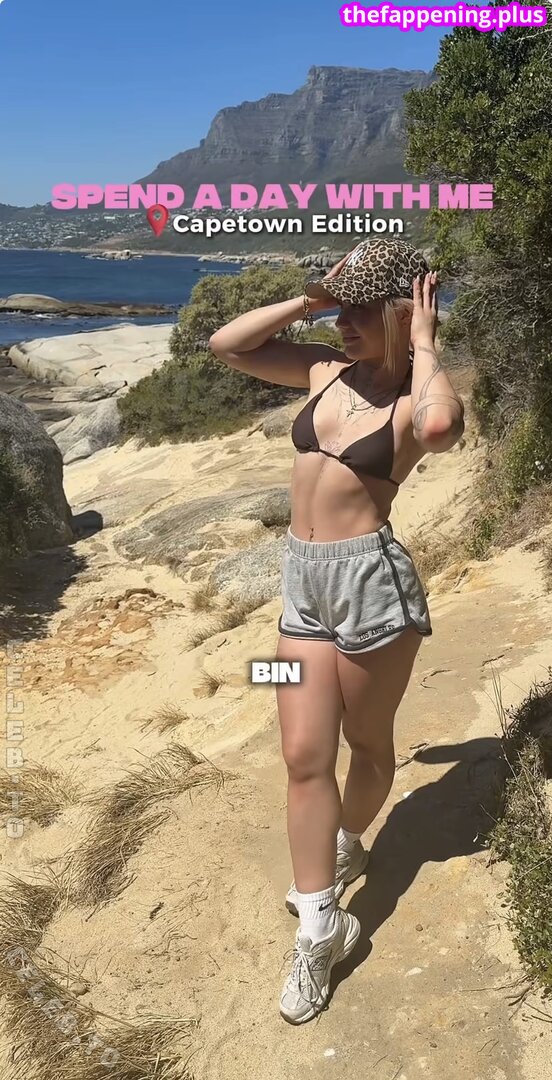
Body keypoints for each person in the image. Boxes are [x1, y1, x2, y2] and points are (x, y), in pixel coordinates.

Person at [209, 238, 465, 1025]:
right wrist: (312, 298)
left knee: (370, 748)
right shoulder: (324, 370)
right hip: (302, 591)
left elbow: (440, 428)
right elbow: (227, 346)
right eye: (339, 310)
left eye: (360, 310)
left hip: (372, 596)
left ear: (398, 312)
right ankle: (322, 926)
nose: (343, 324)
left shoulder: (410, 396)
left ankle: (348, 838)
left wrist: (423, 341)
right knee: (301, 754)